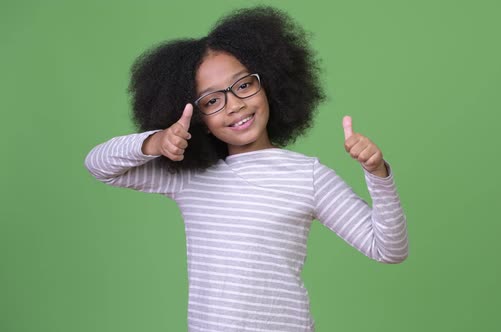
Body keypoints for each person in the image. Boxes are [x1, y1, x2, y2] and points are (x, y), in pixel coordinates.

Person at [84, 6, 408, 332]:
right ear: (201, 122)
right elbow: (98, 165)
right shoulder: (189, 178)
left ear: (268, 85)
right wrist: (155, 143)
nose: (235, 104)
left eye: (242, 85)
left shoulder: (308, 176)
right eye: (212, 101)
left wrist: (377, 173)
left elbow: (388, 249)